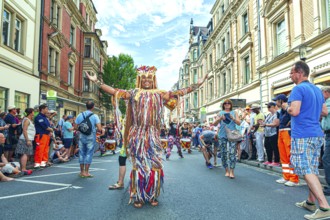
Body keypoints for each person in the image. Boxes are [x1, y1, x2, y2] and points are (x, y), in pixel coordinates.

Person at [85, 66, 207, 208]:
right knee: (139, 165)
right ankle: (139, 195)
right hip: (137, 134)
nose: (147, 81)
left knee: (155, 164)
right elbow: (115, 92)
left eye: (150, 79)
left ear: (153, 79)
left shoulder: (160, 94)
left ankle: (153, 194)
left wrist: (197, 84)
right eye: (144, 79)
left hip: (153, 134)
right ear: (140, 80)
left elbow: (180, 92)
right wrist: (97, 82)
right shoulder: (134, 93)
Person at [287, 61, 330, 220]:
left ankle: (324, 207)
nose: (290, 76)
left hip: (303, 134)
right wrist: (311, 114)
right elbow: (324, 112)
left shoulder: (298, 89)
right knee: (311, 168)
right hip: (316, 133)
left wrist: (286, 106)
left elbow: (294, 111)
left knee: (305, 169)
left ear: (299, 72)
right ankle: (311, 202)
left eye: (291, 73)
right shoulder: (317, 90)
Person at [273, 94, 300, 187]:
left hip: (287, 132)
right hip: (281, 131)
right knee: (283, 155)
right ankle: (286, 176)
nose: (275, 102)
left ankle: (294, 178)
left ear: (280, 100)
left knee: (290, 155)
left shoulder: (289, 107)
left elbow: (295, 115)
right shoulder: (281, 110)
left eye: (276, 100)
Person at [213, 99, 240, 179]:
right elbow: (214, 124)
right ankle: (226, 170)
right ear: (223, 105)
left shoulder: (234, 112)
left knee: (232, 153)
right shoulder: (220, 113)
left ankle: (232, 171)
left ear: (231, 105)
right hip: (222, 134)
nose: (227, 104)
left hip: (232, 134)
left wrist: (233, 118)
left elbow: (239, 122)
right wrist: (220, 119)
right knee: (223, 153)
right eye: (225, 103)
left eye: (228, 103)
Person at [75, 101, 102, 178]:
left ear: (85, 106)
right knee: (89, 153)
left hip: (81, 136)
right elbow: (99, 128)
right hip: (91, 136)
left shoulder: (80, 115)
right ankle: (86, 172)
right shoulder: (95, 116)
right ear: (93, 107)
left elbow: (75, 127)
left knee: (81, 152)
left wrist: (82, 129)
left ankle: (81, 172)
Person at [16, 108, 35, 175]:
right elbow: (24, 130)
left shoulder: (28, 119)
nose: (34, 113)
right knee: (24, 154)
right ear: (30, 113)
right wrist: (27, 140)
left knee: (25, 154)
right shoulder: (27, 120)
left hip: (28, 138)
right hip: (25, 139)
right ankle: (23, 169)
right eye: (33, 112)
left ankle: (23, 168)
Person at [34, 104, 53, 168]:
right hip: (41, 135)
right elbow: (45, 126)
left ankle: (43, 163)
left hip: (46, 135)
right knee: (40, 149)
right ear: (42, 109)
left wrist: (50, 130)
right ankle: (38, 163)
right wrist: (51, 130)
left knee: (45, 150)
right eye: (46, 109)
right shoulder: (39, 117)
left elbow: (48, 126)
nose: (47, 110)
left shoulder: (44, 117)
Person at [261, 102, 280, 166]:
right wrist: (263, 124)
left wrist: (265, 124)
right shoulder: (269, 115)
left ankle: (276, 161)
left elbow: (276, 124)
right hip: (267, 134)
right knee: (267, 146)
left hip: (274, 133)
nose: (268, 108)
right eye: (267, 107)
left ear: (273, 107)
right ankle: (269, 160)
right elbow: (265, 122)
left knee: (275, 147)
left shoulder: (277, 114)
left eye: (269, 107)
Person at [320, 86, 330, 196]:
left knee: (326, 159)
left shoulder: (328, 102)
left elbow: (324, 112)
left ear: (326, 92)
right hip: (327, 133)